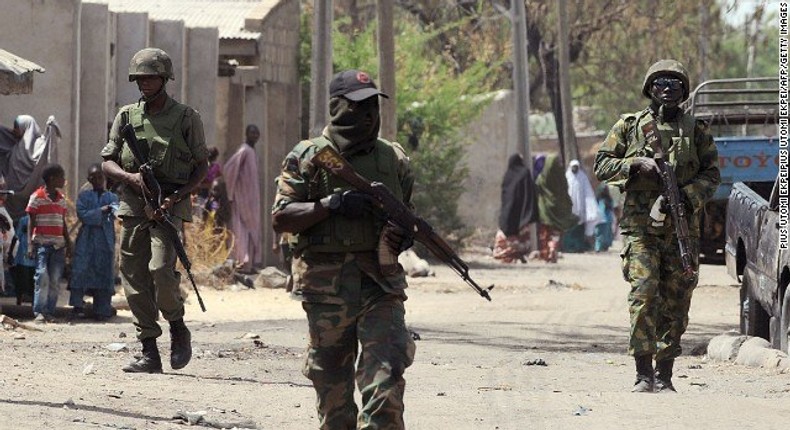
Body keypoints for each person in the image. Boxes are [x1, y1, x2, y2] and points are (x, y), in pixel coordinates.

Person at [272, 69, 416, 429]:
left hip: (380, 286)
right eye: (358, 106)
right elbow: (282, 217)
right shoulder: (307, 157)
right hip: (326, 290)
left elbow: (406, 215)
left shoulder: (393, 159)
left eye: (372, 105)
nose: (368, 115)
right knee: (332, 392)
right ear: (337, 107)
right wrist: (331, 205)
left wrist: (404, 236)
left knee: (385, 379)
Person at [594, 59, 720, 393]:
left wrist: (685, 196)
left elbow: (712, 175)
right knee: (644, 294)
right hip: (641, 230)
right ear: (650, 88)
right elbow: (602, 164)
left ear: (684, 90)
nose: (668, 89)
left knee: (676, 301)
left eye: (675, 84)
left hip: (681, 231)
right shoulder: (630, 126)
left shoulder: (696, 130)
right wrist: (635, 165)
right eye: (661, 83)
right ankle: (642, 373)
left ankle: (665, 374)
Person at [101, 47, 209, 373]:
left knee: (161, 271)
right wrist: (130, 177)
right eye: (139, 78)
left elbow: (201, 168)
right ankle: (149, 350)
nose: (144, 83)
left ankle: (177, 327)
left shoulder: (187, 118)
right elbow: (107, 162)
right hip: (135, 204)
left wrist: (176, 197)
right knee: (133, 278)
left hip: (169, 203)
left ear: (164, 78)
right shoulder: (126, 117)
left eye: (150, 77)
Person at [68, 164, 119, 321]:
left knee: (104, 272)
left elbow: (116, 214)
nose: (97, 180)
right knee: (80, 271)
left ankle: (102, 309)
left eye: (100, 177)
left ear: (104, 178)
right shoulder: (84, 197)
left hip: (105, 240)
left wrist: (103, 213)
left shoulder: (112, 198)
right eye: (93, 177)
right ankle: (78, 307)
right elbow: (83, 216)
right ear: (89, 179)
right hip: (86, 240)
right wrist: (101, 211)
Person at [26, 163, 70, 323]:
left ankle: (49, 311)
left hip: (58, 246)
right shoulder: (36, 197)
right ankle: (39, 311)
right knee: (42, 277)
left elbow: (62, 223)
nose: (64, 180)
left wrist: (69, 243)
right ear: (52, 179)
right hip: (42, 245)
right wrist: (30, 244)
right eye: (61, 177)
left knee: (55, 280)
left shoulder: (61, 200)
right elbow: (31, 222)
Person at [223, 124, 262, 274]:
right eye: (252, 132)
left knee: (253, 229)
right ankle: (242, 262)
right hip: (242, 197)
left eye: (257, 133)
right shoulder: (244, 150)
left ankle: (250, 264)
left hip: (252, 199)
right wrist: (233, 192)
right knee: (241, 228)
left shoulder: (252, 151)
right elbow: (228, 168)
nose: (255, 135)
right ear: (246, 134)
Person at [532, 153, 578, 263]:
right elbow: (565, 194)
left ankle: (545, 254)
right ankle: (552, 253)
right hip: (558, 211)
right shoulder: (562, 179)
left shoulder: (541, 179)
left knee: (544, 233)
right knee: (555, 233)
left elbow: (536, 190)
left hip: (544, 211)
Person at [493, 153, 537, 263]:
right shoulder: (524, 173)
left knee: (506, 230)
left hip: (508, 210)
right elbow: (529, 192)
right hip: (521, 210)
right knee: (519, 234)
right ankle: (515, 254)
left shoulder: (508, 175)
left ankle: (508, 255)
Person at [562, 159, 599, 253]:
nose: (575, 168)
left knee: (579, 228)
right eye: (573, 167)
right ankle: (569, 247)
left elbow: (588, 193)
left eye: (576, 167)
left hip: (581, 208)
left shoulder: (583, 178)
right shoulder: (566, 177)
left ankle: (578, 247)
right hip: (569, 208)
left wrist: (590, 207)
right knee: (569, 228)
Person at [8, 213, 35, 305]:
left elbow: (16, 237)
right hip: (24, 256)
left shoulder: (27, 219)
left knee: (27, 279)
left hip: (30, 256)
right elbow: (16, 236)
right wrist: (10, 253)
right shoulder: (24, 220)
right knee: (25, 279)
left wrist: (10, 253)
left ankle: (26, 300)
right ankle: (20, 300)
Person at [593, 183, 615, 252]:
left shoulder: (608, 199)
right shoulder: (597, 199)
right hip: (599, 219)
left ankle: (604, 247)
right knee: (598, 234)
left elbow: (611, 207)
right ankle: (598, 248)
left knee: (605, 234)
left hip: (606, 219)